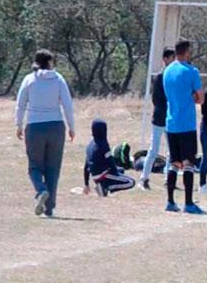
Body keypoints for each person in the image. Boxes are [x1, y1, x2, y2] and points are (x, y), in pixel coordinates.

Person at [16, 49, 76, 217]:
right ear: (50, 63)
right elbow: (67, 105)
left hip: (35, 126)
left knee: (35, 166)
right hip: (56, 126)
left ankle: (41, 190)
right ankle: (49, 209)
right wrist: (72, 127)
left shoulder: (29, 80)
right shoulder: (58, 80)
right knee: (53, 168)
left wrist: (19, 124)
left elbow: (20, 104)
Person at [162, 39, 205, 214]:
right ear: (186, 52)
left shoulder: (167, 71)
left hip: (171, 122)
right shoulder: (191, 71)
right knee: (188, 164)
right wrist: (193, 97)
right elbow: (200, 98)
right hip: (186, 124)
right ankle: (188, 202)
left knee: (174, 162)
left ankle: (170, 201)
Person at [139, 47, 175, 190]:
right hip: (160, 119)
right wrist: (164, 109)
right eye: (171, 58)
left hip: (171, 119)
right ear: (165, 59)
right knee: (154, 150)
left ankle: (168, 179)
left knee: (172, 151)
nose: (173, 61)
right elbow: (156, 99)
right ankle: (144, 178)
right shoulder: (160, 76)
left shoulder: (173, 75)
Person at [83, 119, 135, 196]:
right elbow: (110, 162)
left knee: (121, 170)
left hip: (95, 175)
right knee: (130, 182)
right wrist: (116, 174)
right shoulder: (103, 144)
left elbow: (86, 166)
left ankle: (103, 185)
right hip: (103, 174)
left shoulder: (90, 145)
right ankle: (105, 187)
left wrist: (86, 184)